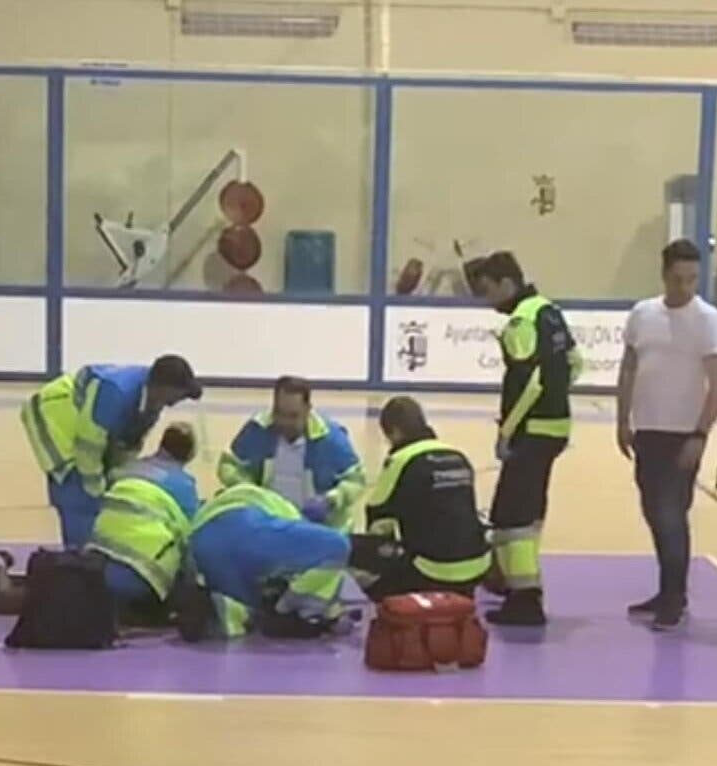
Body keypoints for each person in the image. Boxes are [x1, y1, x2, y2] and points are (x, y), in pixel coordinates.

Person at [0, 425, 201, 625]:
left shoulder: (128, 469)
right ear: (187, 457)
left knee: (36, 585)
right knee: (10, 600)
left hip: (101, 560)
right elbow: (189, 546)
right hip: (126, 577)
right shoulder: (184, 487)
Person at [463, 251, 581, 626]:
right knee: (528, 512)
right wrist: (557, 397)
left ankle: (525, 599)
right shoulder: (550, 311)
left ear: (506, 284)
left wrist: (507, 430)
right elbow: (575, 364)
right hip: (558, 426)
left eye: (488, 291)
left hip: (532, 431)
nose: (487, 300)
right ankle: (521, 586)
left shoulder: (520, 322)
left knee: (510, 519)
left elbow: (528, 382)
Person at [616, 239, 717, 631]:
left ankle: (674, 598)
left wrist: (700, 434)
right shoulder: (642, 314)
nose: (685, 287)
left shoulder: (709, 321)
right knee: (654, 511)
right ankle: (667, 589)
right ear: (664, 275)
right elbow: (629, 368)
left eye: (692, 279)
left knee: (670, 514)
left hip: (684, 433)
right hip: (647, 429)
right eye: (678, 279)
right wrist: (622, 419)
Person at [20, 355, 202, 549]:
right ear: (164, 388)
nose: (177, 402)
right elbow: (87, 448)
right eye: (179, 395)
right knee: (78, 491)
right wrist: (97, 491)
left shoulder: (152, 403)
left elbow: (129, 443)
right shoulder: (114, 393)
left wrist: (115, 479)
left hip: (84, 429)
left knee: (99, 489)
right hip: (56, 419)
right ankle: (76, 558)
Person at [352, 396, 489, 600]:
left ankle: (393, 602)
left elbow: (379, 516)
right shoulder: (457, 455)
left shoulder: (401, 459)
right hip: (477, 566)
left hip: (431, 571)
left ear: (394, 431)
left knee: (351, 549)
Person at [176, 483, 352, 641]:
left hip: (203, 544)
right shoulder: (291, 514)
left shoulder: (217, 503)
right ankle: (284, 612)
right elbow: (322, 558)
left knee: (251, 609)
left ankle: (217, 612)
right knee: (337, 547)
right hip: (245, 525)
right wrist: (293, 607)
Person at [217, 376, 365, 531]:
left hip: (321, 530)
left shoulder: (331, 439)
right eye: (279, 413)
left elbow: (356, 480)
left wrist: (331, 500)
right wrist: (249, 490)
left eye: (293, 416)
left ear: (308, 409)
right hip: (267, 525)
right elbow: (229, 464)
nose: (285, 422)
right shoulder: (257, 431)